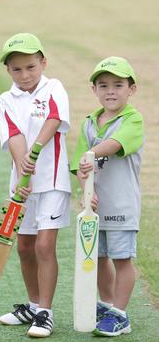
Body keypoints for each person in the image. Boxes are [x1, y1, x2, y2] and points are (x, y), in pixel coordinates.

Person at [0, 33, 71, 338]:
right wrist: (21, 168)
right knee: (24, 247)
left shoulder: (54, 87)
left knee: (43, 245)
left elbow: (54, 120)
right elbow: (13, 135)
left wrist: (34, 152)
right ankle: (33, 304)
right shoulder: (6, 99)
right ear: (8, 70)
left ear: (43, 63)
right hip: (22, 186)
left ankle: (46, 313)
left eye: (30, 67)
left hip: (52, 182)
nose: (24, 75)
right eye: (17, 69)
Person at [71, 56, 143, 337]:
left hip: (122, 204)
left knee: (122, 257)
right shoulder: (89, 122)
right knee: (98, 257)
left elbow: (115, 144)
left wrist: (93, 154)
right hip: (96, 205)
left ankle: (121, 314)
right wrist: (86, 191)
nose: (110, 91)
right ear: (94, 90)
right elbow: (80, 164)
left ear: (131, 89)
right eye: (103, 85)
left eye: (118, 84)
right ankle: (107, 304)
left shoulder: (132, 119)